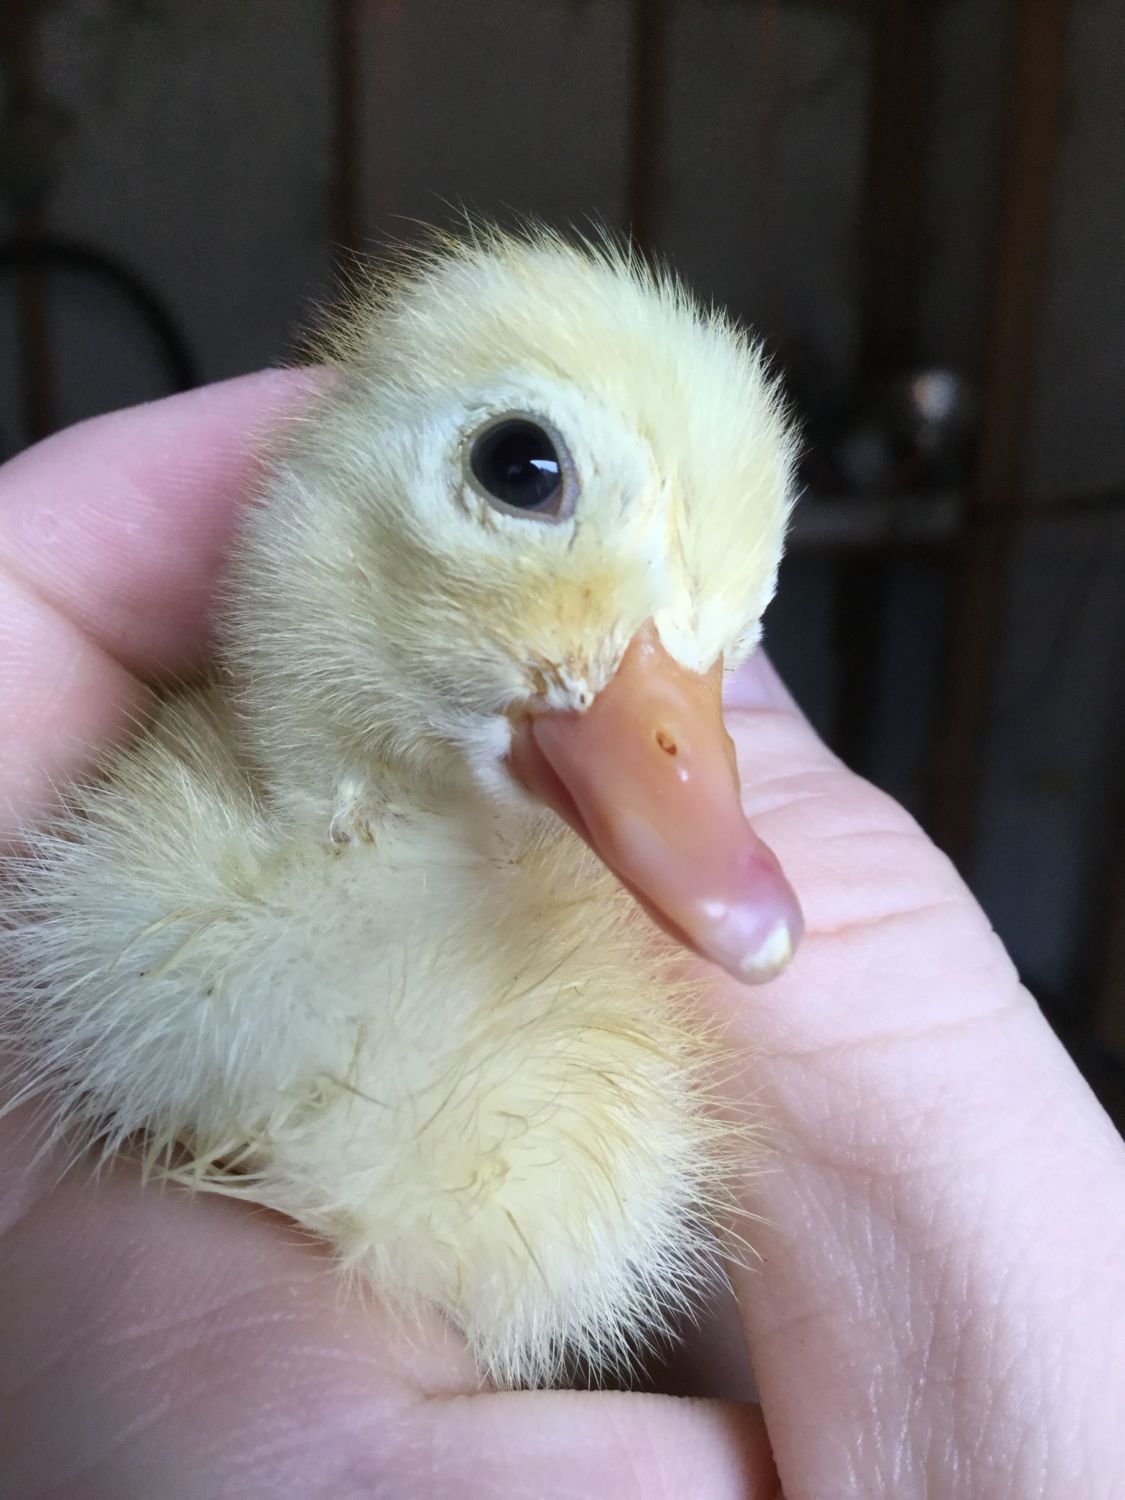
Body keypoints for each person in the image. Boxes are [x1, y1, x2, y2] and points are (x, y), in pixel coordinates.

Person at [1, 373, 1122, 1499]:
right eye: (523, 473)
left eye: (719, 645)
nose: (680, 710)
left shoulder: (573, 957)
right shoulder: (163, 821)